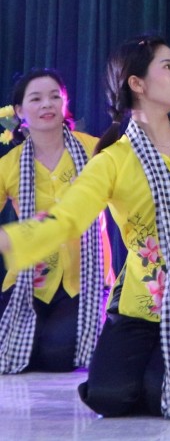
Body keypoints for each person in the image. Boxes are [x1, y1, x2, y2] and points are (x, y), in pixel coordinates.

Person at [0, 36, 170, 419]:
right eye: (167, 66)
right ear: (137, 83)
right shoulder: (112, 159)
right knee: (107, 397)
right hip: (139, 304)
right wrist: (8, 239)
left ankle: (166, 375)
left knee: (163, 396)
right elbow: (68, 217)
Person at [0, 69, 106, 373]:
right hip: (28, 279)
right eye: (36, 99)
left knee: (57, 355)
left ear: (64, 103)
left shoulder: (96, 150)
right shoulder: (9, 165)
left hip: (83, 279)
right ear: (20, 111)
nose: (47, 104)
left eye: (54, 97)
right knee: (13, 348)